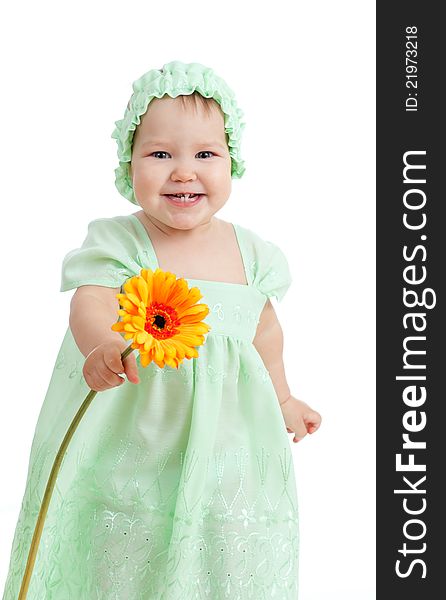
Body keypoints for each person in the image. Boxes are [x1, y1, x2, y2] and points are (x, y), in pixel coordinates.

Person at [2, 60, 321, 599]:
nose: (183, 171)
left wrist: (284, 397)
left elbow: (264, 333)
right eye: (160, 154)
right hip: (138, 445)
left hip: (228, 453)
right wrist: (102, 344)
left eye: (205, 154)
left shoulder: (254, 256)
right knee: (127, 552)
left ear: (232, 161)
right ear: (129, 163)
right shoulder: (121, 243)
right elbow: (92, 301)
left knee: (219, 555)